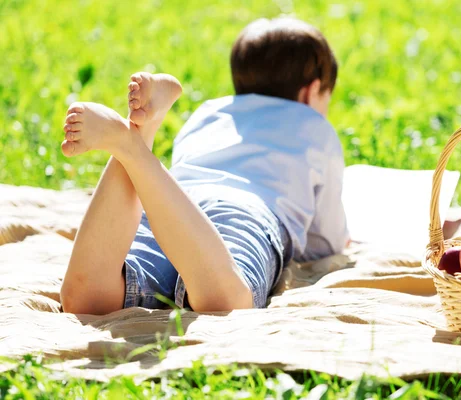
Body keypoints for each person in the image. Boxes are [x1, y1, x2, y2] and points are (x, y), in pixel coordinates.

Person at [59, 17, 349, 315]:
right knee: (227, 303)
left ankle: (137, 140)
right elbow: (326, 239)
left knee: (89, 300)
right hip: (247, 213)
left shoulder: (209, 112)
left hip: (173, 206)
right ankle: (133, 148)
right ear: (312, 91)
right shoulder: (313, 125)